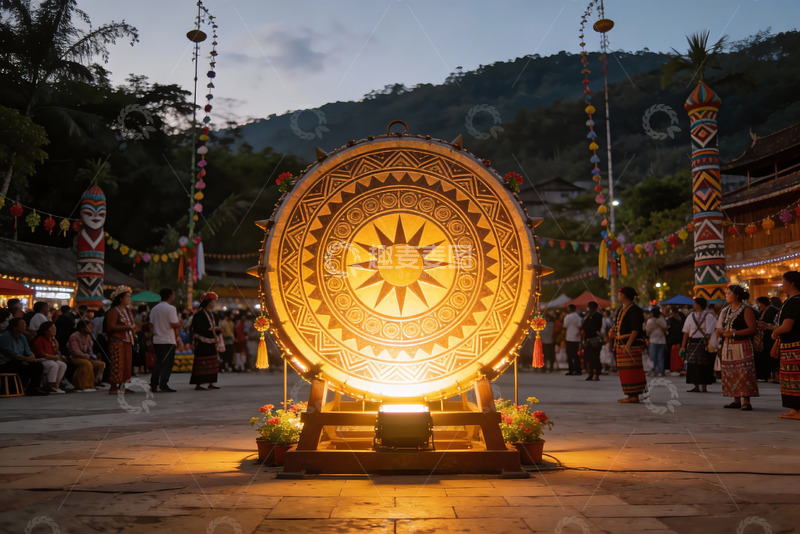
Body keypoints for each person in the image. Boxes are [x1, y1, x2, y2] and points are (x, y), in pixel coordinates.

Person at [715, 284, 758, 411]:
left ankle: (746, 401)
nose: (726, 295)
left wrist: (734, 333)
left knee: (743, 372)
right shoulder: (725, 310)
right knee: (730, 372)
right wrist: (720, 332)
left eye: (729, 293)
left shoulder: (746, 309)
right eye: (726, 293)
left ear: (737, 295)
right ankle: (736, 399)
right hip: (728, 345)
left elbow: (752, 328)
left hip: (742, 344)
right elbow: (719, 327)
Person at [771, 271, 800, 420]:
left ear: (792, 283)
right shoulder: (791, 300)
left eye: (783, 282)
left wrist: (774, 333)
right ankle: (794, 408)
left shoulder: (795, 302)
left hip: (795, 345)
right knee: (789, 379)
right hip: (789, 346)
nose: (782, 285)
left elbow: (787, 326)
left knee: (795, 378)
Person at [610, 287, 647, 403]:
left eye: (620, 293)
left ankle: (634, 395)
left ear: (624, 295)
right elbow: (619, 326)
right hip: (621, 344)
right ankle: (630, 394)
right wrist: (613, 333)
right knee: (624, 371)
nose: (618, 295)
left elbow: (636, 329)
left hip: (631, 345)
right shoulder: (621, 309)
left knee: (632, 370)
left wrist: (628, 345)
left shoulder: (635, 310)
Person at [0, 317, 48, 395]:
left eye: (25, 324)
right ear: (14, 327)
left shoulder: (22, 336)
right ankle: (19, 387)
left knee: (38, 365)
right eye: (22, 324)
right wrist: (25, 359)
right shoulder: (5, 337)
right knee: (22, 365)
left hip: (21, 360)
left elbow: (28, 351)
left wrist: (31, 357)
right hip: (6, 362)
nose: (25, 326)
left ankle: (33, 388)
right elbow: (11, 354)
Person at [681, 297, 717, 393]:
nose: (693, 305)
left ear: (698, 304)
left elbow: (711, 331)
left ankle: (704, 386)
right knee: (694, 365)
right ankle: (696, 386)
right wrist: (683, 346)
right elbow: (686, 332)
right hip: (694, 343)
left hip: (704, 344)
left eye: (694, 303)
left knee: (704, 365)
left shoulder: (708, 316)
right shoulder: (691, 316)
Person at [105, 285, 136, 394]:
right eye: (127, 296)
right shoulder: (114, 311)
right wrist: (127, 327)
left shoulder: (127, 311)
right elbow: (110, 327)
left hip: (127, 340)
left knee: (127, 364)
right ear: (120, 298)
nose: (129, 299)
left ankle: (122, 385)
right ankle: (113, 386)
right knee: (117, 363)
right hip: (117, 340)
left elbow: (132, 325)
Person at [149, 288, 181, 392]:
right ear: (170, 295)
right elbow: (174, 324)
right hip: (168, 340)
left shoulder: (154, 308)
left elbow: (151, 325)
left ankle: (153, 384)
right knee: (167, 363)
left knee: (158, 362)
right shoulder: (171, 308)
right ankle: (163, 384)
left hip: (157, 339)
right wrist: (180, 322)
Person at [190, 291, 222, 390]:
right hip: (202, 342)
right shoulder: (199, 314)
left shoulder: (212, 314)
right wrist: (211, 330)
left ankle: (211, 382)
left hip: (211, 342)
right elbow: (196, 328)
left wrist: (217, 330)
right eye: (213, 302)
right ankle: (198, 384)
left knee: (212, 362)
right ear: (208, 303)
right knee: (201, 362)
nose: (214, 304)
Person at [67, 319, 106, 390]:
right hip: (75, 357)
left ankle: (94, 382)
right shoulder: (74, 336)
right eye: (89, 327)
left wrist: (93, 356)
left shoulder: (88, 337)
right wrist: (84, 356)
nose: (91, 329)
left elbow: (90, 350)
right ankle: (83, 385)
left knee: (100, 364)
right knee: (87, 364)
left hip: (86, 357)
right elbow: (74, 350)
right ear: (82, 328)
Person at [31, 321, 68, 393]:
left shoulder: (52, 340)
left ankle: (56, 385)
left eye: (55, 328)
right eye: (52, 328)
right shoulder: (40, 339)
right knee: (53, 365)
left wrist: (56, 347)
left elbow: (55, 352)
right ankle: (50, 385)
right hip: (40, 359)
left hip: (49, 359)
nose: (55, 330)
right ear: (46, 331)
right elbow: (42, 354)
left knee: (62, 365)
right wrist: (53, 357)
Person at [754, 296, 780, 383]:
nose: (758, 305)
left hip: (770, 336)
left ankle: (774, 375)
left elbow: (775, 323)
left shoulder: (772, 310)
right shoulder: (762, 311)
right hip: (764, 337)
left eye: (759, 303)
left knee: (772, 356)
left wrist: (766, 325)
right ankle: (767, 375)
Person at [581, 302, 603, 381]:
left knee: (595, 358)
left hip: (594, 339)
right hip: (587, 339)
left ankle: (596, 374)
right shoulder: (587, 316)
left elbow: (598, 327)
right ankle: (590, 374)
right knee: (588, 358)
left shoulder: (598, 316)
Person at [645, 307, 668, 377]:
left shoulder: (650, 321)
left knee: (653, 357)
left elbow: (647, 330)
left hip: (653, 340)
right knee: (661, 357)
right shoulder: (662, 319)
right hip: (662, 340)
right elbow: (665, 326)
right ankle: (661, 371)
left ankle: (654, 371)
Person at [563, 304, 582, 376]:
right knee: (576, 355)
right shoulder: (578, 317)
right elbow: (580, 327)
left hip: (569, 338)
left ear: (569, 309)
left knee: (569, 355)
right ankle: (578, 370)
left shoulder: (567, 317)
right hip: (576, 338)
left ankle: (571, 369)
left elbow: (565, 327)